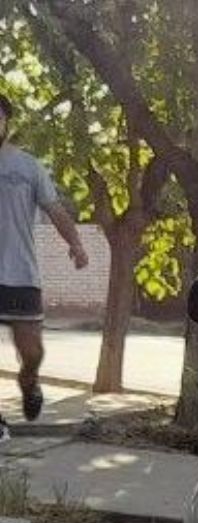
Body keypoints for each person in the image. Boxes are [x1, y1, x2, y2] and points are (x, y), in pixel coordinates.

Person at [0, 92, 89, 439]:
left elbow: (55, 209)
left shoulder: (28, 166)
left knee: (32, 352)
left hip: (21, 273)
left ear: (6, 122)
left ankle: (30, 381)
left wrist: (77, 244)